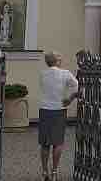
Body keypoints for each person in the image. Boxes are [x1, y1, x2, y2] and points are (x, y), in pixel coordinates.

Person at [39, 51, 79, 181]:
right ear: (57, 61)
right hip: (59, 109)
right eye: (60, 59)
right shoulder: (65, 73)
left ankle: (45, 171)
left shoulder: (43, 74)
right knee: (58, 142)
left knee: (45, 143)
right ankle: (54, 171)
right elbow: (77, 85)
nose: (61, 61)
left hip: (45, 109)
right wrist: (70, 98)